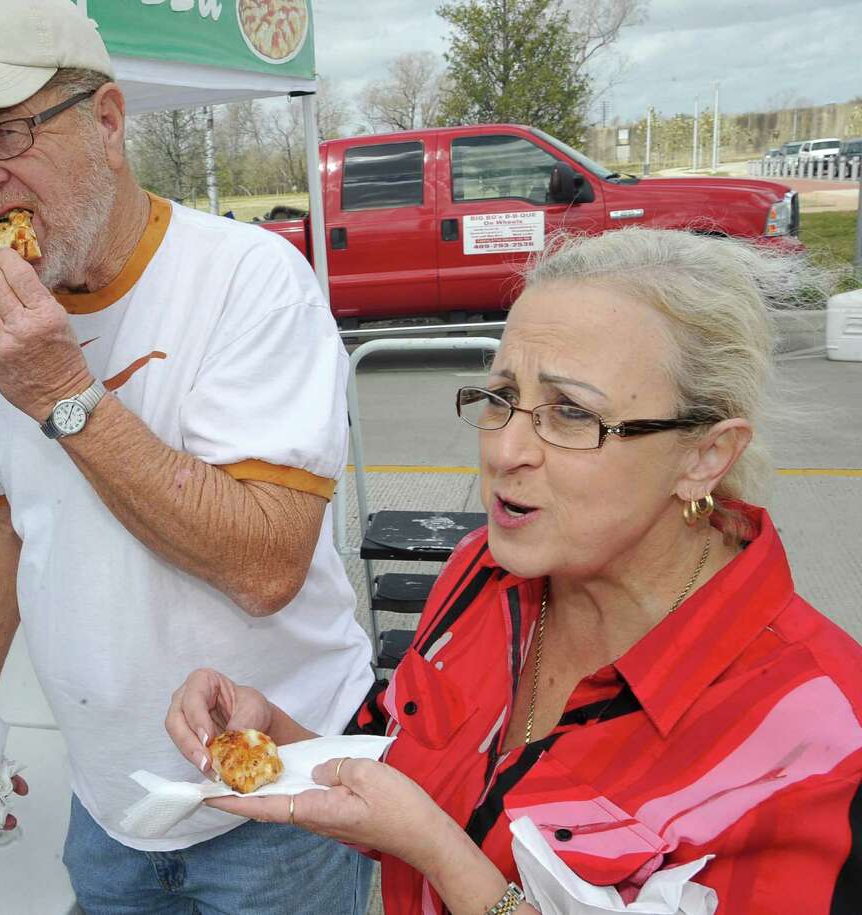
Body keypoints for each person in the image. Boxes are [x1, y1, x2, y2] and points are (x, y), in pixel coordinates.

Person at [167, 229, 862, 914]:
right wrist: (282, 741)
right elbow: (406, 767)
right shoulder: (481, 576)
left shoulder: (819, 745)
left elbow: (427, 829)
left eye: (571, 412)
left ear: (704, 457)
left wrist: (446, 858)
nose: (505, 449)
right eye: (501, 396)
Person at [0, 1, 375, 912]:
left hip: (277, 797)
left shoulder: (249, 280)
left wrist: (64, 392)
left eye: (7, 132)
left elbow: (268, 564)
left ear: (107, 121)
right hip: (107, 798)